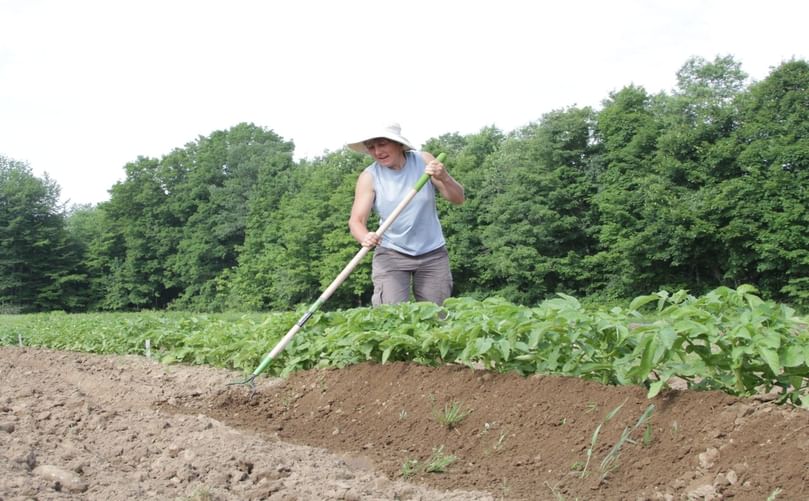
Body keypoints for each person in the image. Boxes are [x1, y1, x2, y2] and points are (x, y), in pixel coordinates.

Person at [347, 123, 465, 306]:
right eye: (371, 147)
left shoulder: (424, 161)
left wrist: (444, 177)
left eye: (383, 144)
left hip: (432, 252)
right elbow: (356, 221)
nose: (378, 151)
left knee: (437, 315)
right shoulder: (369, 177)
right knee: (390, 313)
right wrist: (365, 236)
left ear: (398, 144)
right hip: (391, 253)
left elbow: (458, 198)